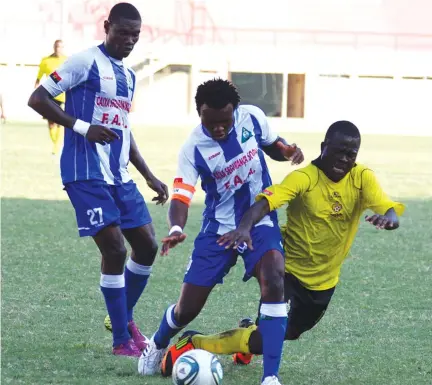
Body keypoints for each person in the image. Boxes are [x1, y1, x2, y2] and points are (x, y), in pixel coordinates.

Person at [163, 120, 405, 376]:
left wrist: (390, 219)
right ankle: (195, 342)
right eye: (339, 151)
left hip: (323, 283)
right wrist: (245, 227)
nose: (344, 159)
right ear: (324, 147)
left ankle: (246, 340)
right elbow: (266, 202)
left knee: (285, 335)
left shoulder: (361, 178)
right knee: (267, 340)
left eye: (351, 154)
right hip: (286, 272)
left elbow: (388, 208)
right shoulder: (304, 178)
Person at [138, 78, 304, 385]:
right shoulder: (192, 148)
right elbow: (181, 195)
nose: (218, 128)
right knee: (187, 308)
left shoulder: (252, 117)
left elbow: (274, 146)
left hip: (259, 220)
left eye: (225, 121)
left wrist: (289, 150)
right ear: (198, 112)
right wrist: (176, 226)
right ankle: (157, 344)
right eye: (210, 121)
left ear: (236, 111)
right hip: (219, 230)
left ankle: (270, 377)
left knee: (274, 279)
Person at [28, 2, 169, 357]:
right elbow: (37, 98)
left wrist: (149, 175)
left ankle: (121, 318)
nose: (129, 40)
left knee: (148, 246)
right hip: (84, 172)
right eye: (123, 32)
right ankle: (122, 339)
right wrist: (82, 126)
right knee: (115, 249)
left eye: (135, 35)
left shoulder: (130, 75)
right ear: (107, 27)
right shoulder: (84, 62)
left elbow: (123, 129)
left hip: (118, 176)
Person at [35, 39, 67, 155]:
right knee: (51, 122)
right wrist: (37, 83)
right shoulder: (46, 60)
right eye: (57, 47)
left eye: (61, 47)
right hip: (49, 94)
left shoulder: (66, 61)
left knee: (59, 120)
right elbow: (40, 74)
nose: (59, 49)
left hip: (62, 95)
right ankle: (55, 143)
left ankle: (56, 146)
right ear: (54, 47)